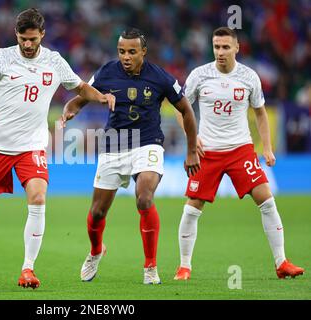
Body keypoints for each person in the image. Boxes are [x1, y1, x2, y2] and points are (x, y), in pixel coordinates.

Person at [0, 8, 115, 289]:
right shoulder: (2, 57)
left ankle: (28, 269)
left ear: (42, 35)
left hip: (33, 146)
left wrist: (101, 97)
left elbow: (79, 87)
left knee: (38, 199)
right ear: (16, 35)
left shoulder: (54, 61)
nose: (27, 45)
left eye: (33, 39)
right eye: (23, 39)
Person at [61, 28, 200, 284]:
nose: (126, 56)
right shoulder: (106, 72)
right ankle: (95, 251)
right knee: (98, 212)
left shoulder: (161, 78)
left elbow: (186, 111)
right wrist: (70, 109)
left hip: (148, 143)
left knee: (144, 197)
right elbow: (81, 97)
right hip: (113, 146)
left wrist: (192, 150)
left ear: (143, 52)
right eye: (122, 51)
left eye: (132, 52)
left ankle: (150, 267)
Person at [174, 27, 304, 280]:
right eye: (216, 47)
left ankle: (282, 263)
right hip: (207, 151)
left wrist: (266, 147)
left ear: (236, 48)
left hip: (240, 150)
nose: (220, 52)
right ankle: (184, 267)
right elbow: (181, 110)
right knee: (192, 207)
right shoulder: (200, 75)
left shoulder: (249, 77)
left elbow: (260, 113)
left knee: (266, 199)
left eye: (225, 47)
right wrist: (193, 139)